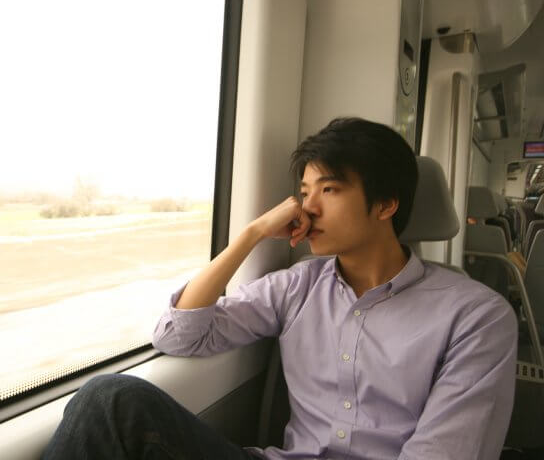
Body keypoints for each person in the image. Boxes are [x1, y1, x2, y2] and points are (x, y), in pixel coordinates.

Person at [42, 117, 517, 460]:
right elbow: (179, 335)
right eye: (304, 193)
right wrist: (249, 235)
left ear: (385, 203)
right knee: (109, 400)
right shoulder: (297, 287)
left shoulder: (475, 316)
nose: (307, 210)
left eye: (328, 190)